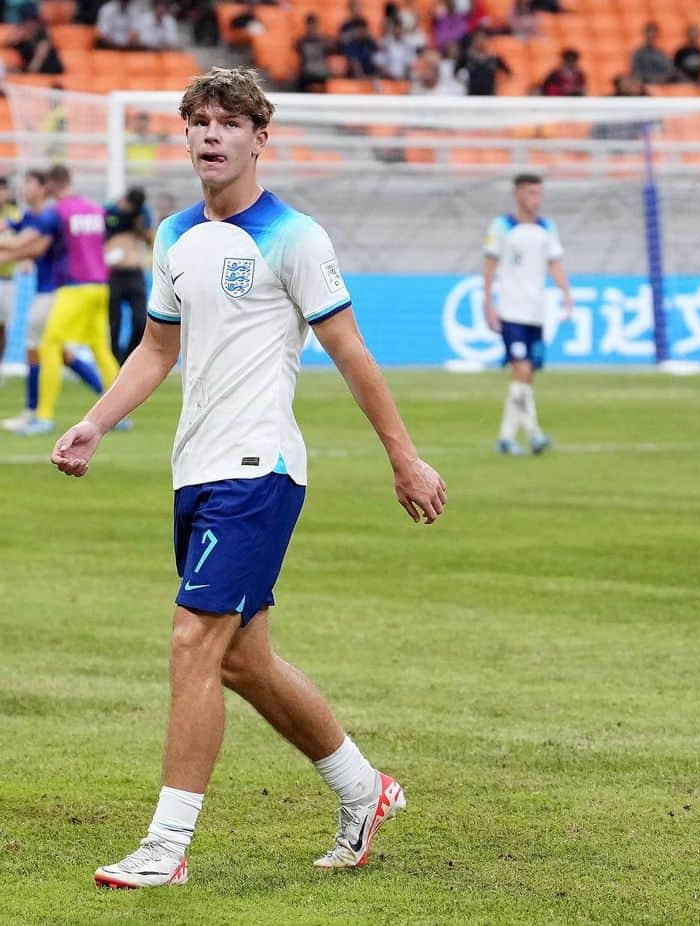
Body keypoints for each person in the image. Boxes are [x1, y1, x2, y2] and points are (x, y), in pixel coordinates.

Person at [49, 66, 446, 889]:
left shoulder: (294, 237)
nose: (211, 135)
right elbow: (158, 349)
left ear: (261, 139)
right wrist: (96, 419)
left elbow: (351, 353)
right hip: (193, 472)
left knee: (193, 640)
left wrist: (403, 456)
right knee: (242, 662)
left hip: (258, 470)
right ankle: (364, 791)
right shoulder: (173, 237)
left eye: (229, 123)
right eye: (199, 122)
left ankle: (167, 845)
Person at [0, 164, 118, 436]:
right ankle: (117, 413)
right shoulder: (94, 209)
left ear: (49, 186)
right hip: (101, 284)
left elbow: (25, 243)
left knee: (50, 345)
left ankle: (42, 416)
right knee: (101, 347)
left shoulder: (58, 212)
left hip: (73, 286)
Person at [483, 173, 572, 456]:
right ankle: (533, 433)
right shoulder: (502, 227)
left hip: (537, 312)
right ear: (518, 194)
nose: (536, 199)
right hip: (511, 310)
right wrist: (488, 303)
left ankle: (507, 437)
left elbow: (555, 264)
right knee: (520, 369)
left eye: (539, 193)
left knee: (526, 375)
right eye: (531, 193)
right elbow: (489, 266)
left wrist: (567, 294)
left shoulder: (547, 228)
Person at [105, 185, 153, 364]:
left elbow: (148, 239)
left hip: (134, 273)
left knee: (141, 322)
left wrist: (139, 225)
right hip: (114, 274)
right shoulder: (110, 213)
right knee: (114, 325)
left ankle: (127, 359)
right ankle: (114, 364)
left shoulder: (141, 215)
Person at [0, 177, 21, 369]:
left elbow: (22, 244)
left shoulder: (14, 215)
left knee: (3, 325)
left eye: (3, 189)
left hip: (6, 279)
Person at [630, 21, 676, 85]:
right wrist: (647, 79)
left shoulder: (661, 53)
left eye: (653, 34)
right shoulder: (638, 53)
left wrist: (661, 79)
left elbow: (670, 70)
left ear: (657, 35)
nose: (651, 36)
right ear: (645, 34)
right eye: (649, 33)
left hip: (662, 84)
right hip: (645, 84)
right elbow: (636, 72)